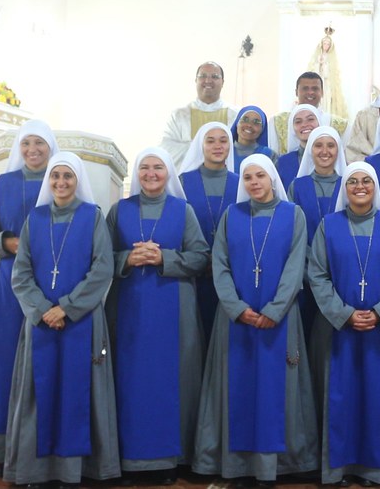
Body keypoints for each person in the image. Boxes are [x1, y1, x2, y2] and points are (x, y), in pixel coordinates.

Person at [192, 155, 318, 484]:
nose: (254, 182)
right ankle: (236, 466)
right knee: (237, 389)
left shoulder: (293, 215)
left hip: (280, 318)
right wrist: (235, 306)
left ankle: (272, 467)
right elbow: (219, 264)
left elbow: (295, 266)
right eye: (248, 177)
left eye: (260, 175)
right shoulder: (231, 215)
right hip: (235, 319)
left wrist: (275, 309)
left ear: (273, 178)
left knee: (275, 391)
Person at [3, 152, 120, 486]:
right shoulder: (35, 219)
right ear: (48, 181)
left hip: (81, 321)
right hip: (41, 323)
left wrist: (66, 308)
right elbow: (21, 273)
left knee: (80, 392)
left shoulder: (92, 217)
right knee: (38, 394)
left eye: (68, 176)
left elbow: (102, 268)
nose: (61, 183)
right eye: (55, 177)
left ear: (78, 180)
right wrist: (43, 310)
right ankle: (34, 471)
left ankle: (76, 471)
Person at [106, 148, 209, 485]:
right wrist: (127, 260)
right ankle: (128, 457)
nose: (151, 174)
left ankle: (169, 458)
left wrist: (164, 257)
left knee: (172, 379)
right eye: (145, 168)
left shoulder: (184, 210)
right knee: (131, 379)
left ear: (169, 173)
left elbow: (200, 256)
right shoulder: (119, 210)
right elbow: (100, 257)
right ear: (136, 173)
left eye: (158, 168)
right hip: (130, 309)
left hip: (174, 307)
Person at [307, 162, 380, 485]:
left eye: (366, 181)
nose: (360, 186)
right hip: (338, 329)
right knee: (340, 400)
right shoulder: (329, 225)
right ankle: (337, 469)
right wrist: (344, 314)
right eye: (352, 181)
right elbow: (317, 274)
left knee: (377, 400)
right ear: (345, 188)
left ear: (375, 187)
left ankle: (373, 470)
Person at [0, 120, 58, 469]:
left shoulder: (61, 177)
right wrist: (6, 242)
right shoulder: (4, 183)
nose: (33, 150)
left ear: (51, 148)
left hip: (50, 280)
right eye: (26, 144)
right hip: (9, 282)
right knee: (4, 354)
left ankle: (41, 441)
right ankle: (2, 443)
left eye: (40, 144)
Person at [179, 121, 239, 341]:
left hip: (231, 276)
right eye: (210, 141)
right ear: (200, 146)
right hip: (192, 276)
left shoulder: (242, 183)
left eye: (223, 141)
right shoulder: (183, 182)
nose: (217, 146)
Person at [161, 61, 238, 165]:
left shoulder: (235, 115)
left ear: (223, 82)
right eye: (203, 76)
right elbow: (166, 149)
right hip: (186, 178)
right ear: (196, 80)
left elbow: (239, 149)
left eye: (215, 76)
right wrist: (205, 147)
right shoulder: (179, 115)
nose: (208, 80)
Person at [287, 126, 348, 246]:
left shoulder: (348, 185)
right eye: (318, 145)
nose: (324, 151)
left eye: (330, 146)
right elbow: (290, 228)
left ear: (338, 150)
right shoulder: (297, 187)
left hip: (341, 257)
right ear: (310, 149)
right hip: (304, 259)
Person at [273, 72, 348, 155]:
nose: (310, 92)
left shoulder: (339, 125)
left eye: (315, 89)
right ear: (296, 92)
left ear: (322, 92)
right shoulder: (278, 122)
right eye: (305, 88)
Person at [275, 103, 328, 188]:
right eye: (298, 122)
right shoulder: (283, 163)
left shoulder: (330, 158)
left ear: (319, 123)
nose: (304, 124)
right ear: (292, 128)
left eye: (310, 119)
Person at [308, 29, 349, 127]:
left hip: (326, 84)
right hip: (317, 82)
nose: (325, 46)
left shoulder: (331, 58)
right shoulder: (317, 56)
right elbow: (313, 71)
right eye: (324, 43)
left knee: (326, 101)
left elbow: (330, 73)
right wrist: (319, 64)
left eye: (328, 44)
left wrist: (325, 65)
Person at [231, 105, 277, 173]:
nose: (249, 125)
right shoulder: (225, 151)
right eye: (245, 120)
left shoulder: (269, 155)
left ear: (262, 129)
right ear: (237, 123)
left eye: (256, 122)